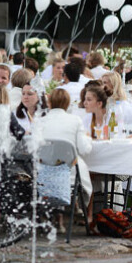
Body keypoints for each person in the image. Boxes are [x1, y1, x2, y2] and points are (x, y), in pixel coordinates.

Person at [37, 89, 93, 218]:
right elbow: (84, 149)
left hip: (44, 171)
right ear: (68, 103)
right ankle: (81, 209)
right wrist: (88, 139)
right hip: (69, 171)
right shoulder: (75, 120)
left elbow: (34, 149)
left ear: (49, 103)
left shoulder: (41, 121)